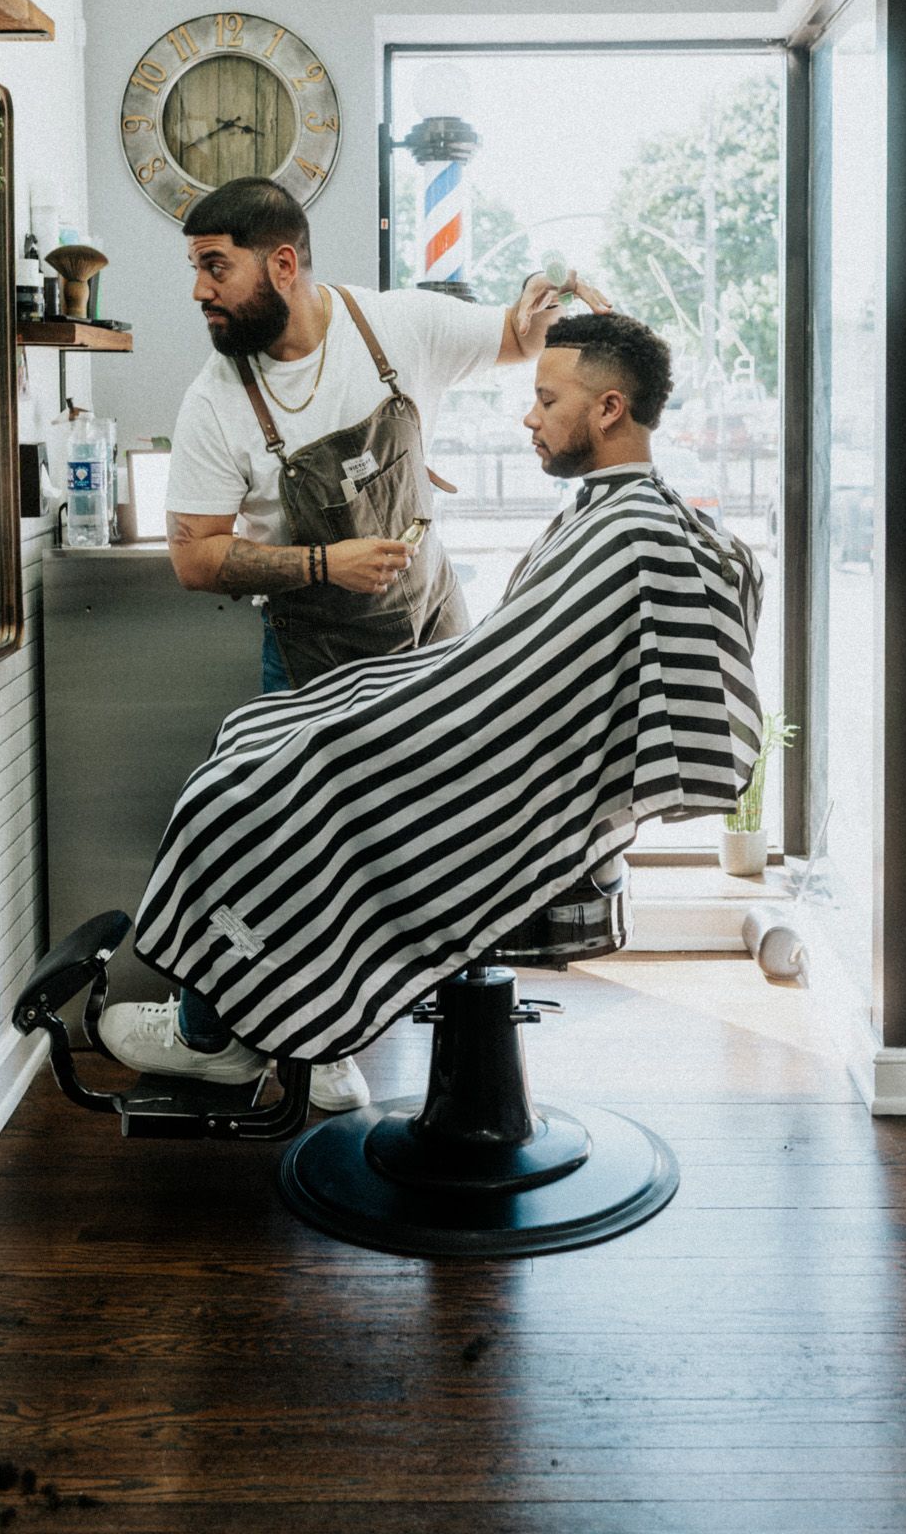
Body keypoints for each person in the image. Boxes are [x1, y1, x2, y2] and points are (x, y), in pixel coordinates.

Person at [131, 312, 764, 1068]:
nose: (528, 416)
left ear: (608, 409)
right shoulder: (636, 516)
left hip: (504, 793)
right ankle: (292, 1033)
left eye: (546, 399)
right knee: (258, 737)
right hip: (500, 757)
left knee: (241, 794)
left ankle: (226, 1037)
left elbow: (509, 698)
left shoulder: (629, 534)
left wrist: (362, 722)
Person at [99, 177, 609, 1106]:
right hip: (311, 659)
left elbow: (511, 338)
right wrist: (321, 565)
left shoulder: (394, 328)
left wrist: (542, 311)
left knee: (433, 846)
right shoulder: (218, 400)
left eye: (215, 266)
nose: (199, 291)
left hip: (431, 637)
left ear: (282, 264)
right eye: (196, 268)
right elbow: (196, 559)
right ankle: (290, 1033)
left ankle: (382, 1021)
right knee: (284, 844)